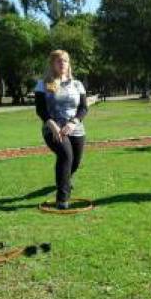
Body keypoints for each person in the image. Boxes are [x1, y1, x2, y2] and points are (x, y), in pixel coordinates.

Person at [34, 50, 88, 210]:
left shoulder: (77, 84)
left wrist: (74, 122)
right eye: (58, 61)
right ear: (52, 64)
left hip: (75, 128)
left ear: (68, 63)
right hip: (53, 129)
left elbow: (84, 108)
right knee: (65, 155)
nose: (62, 63)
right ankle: (62, 199)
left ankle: (64, 181)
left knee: (75, 162)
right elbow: (41, 109)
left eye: (65, 60)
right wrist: (52, 125)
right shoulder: (44, 83)